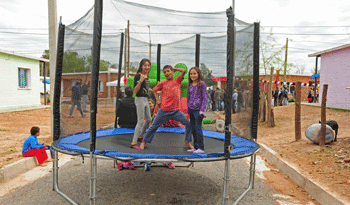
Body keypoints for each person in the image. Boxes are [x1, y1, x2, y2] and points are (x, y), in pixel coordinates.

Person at [140, 65, 193, 151]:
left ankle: (187, 141)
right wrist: (157, 100)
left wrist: (175, 69)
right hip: (164, 111)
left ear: (172, 72)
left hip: (176, 111)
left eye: (168, 71)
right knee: (153, 126)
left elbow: (184, 70)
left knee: (189, 123)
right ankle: (144, 141)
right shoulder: (163, 83)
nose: (166, 73)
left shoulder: (177, 80)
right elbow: (154, 90)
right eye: (165, 72)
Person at [132, 58, 152, 149]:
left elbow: (146, 89)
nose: (147, 67)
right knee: (140, 121)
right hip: (139, 99)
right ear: (141, 66)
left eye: (148, 65)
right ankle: (133, 142)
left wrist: (155, 91)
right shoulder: (137, 76)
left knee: (148, 119)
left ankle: (140, 135)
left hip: (145, 99)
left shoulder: (147, 76)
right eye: (145, 65)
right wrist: (140, 80)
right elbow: (135, 91)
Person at [186, 67, 207, 154]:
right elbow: (189, 98)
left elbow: (204, 98)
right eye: (191, 74)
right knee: (193, 129)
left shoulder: (201, 84)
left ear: (198, 74)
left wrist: (202, 110)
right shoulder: (190, 85)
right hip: (191, 109)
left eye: (194, 73)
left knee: (198, 128)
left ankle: (201, 148)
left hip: (198, 110)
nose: (192, 75)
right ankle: (196, 147)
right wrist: (187, 111)